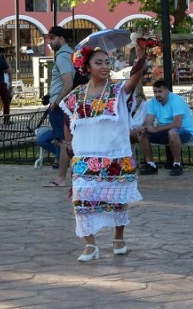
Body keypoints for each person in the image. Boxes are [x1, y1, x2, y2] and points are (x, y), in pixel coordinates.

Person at [60, 43, 148, 262]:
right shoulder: (77, 94)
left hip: (114, 153)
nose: (105, 67)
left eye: (107, 62)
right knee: (81, 199)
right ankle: (90, 245)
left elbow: (134, 79)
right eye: (98, 63)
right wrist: (69, 143)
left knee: (116, 200)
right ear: (87, 67)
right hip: (85, 155)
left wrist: (140, 58)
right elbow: (67, 119)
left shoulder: (117, 90)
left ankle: (119, 239)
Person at [137, 79, 193, 176]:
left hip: (184, 131)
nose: (157, 94)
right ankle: (151, 164)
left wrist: (156, 129)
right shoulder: (153, 102)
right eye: (155, 92)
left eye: (160, 91)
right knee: (142, 134)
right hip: (165, 131)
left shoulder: (176, 100)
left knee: (172, 132)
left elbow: (177, 124)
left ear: (167, 91)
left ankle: (177, 165)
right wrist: (145, 127)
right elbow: (149, 120)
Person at [42, 26, 76, 187]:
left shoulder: (62, 56)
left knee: (63, 142)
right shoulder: (71, 54)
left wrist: (56, 102)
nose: (50, 42)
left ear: (61, 39)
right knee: (68, 142)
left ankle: (61, 178)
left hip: (61, 105)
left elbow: (68, 83)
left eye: (52, 38)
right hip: (67, 103)